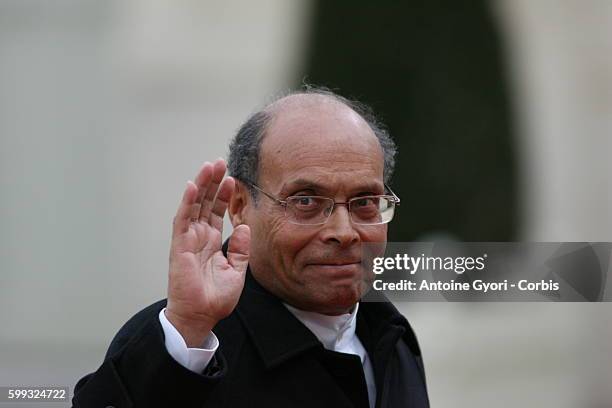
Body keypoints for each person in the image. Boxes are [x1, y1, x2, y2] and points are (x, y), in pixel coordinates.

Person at [72, 88, 429, 408]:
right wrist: (188, 335)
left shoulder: (389, 334)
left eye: (365, 201)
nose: (344, 232)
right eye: (305, 201)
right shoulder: (188, 344)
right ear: (241, 206)